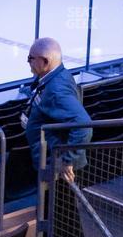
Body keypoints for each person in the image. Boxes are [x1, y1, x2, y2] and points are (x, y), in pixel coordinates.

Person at [20, 38, 92, 184]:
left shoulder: (56, 91)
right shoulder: (58, 75)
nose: (28, 62)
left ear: (45, 61)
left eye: (30, 58)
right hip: (54, 160)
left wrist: (67, 161)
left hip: (57, 168)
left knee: (55, 205)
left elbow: (84, 124)